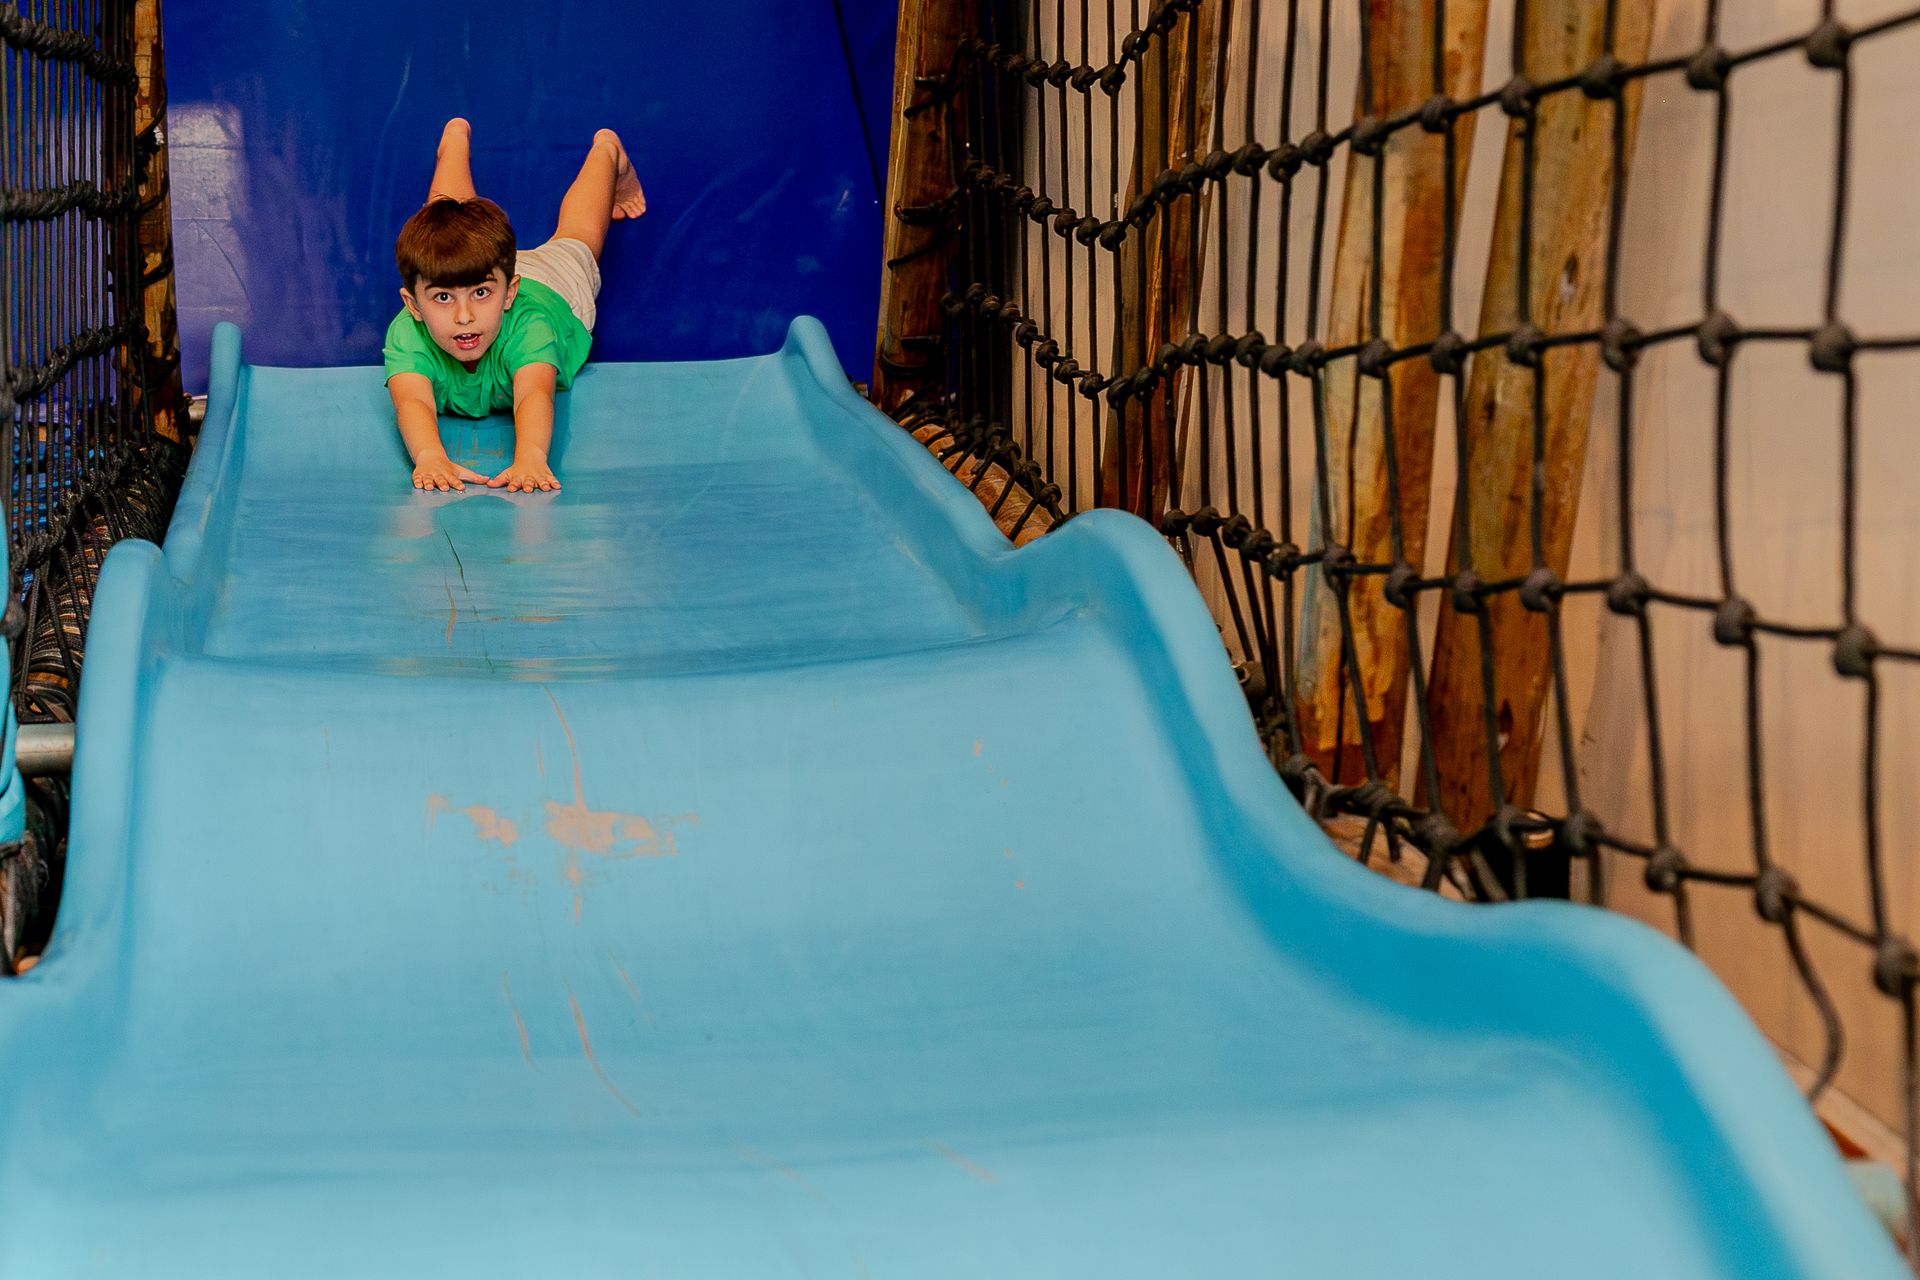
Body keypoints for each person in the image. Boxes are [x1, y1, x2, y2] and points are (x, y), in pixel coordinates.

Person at [382, 118, 646, 493]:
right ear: (413, 305)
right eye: (442, 298)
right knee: (451, 228)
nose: (464, 316)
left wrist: (531, 457)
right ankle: (454, 141)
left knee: (579, 234)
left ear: (509, 293)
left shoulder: (531, 327)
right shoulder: (407, 333)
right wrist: (429, 456)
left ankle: (608, 151)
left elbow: (533, 394)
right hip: (480, 271)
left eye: (479, 295)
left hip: (553, 286)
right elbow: (412, 401)